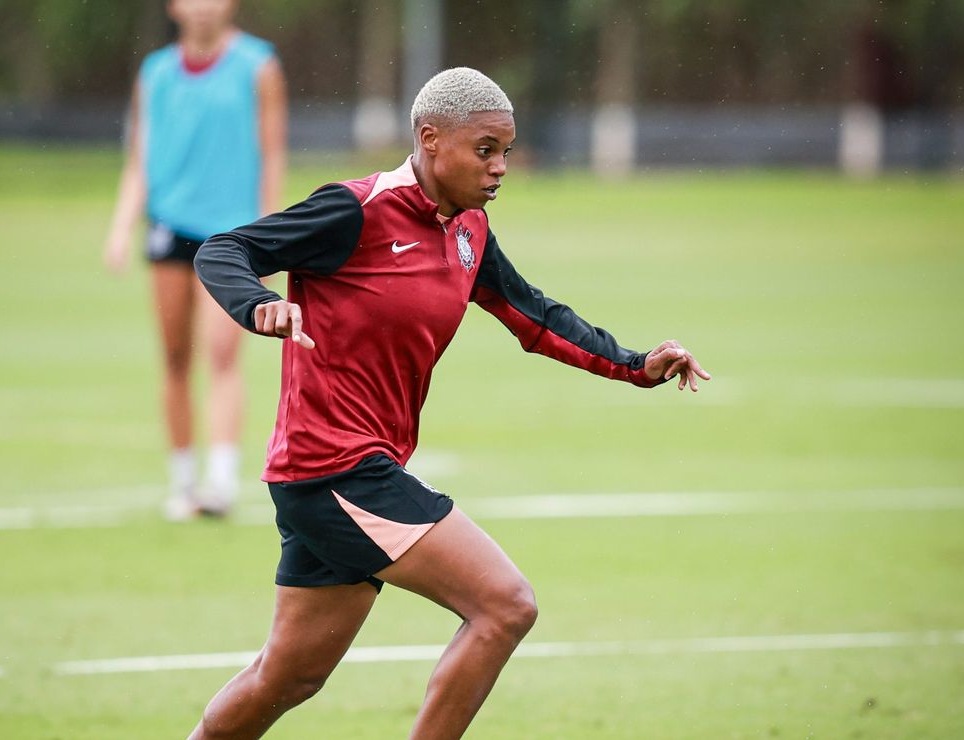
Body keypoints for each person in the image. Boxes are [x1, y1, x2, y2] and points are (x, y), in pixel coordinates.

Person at [189, 67, 710, 739]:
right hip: (337, 470)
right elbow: (225, 249)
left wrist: (638, 366)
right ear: (431, 140)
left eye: (506, 152)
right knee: (505, 605)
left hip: (339, 476)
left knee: (287, 678)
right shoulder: (355, 210)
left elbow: (536, 318)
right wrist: (259, 304)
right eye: (484, 149)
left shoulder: (468, 231)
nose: (499, 168)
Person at [103, 0, 287, 519]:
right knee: (175, 358)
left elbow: (272, 153)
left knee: (223, 353)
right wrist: (121, 225)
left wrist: (272, 235)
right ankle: (182, 481)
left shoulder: (259, 66)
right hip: (168, 227)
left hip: (230, 234)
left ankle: (220, 483)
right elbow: (139, 158)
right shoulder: (156, 73)